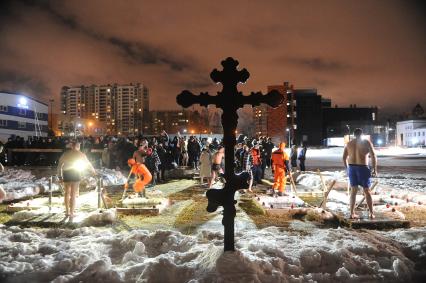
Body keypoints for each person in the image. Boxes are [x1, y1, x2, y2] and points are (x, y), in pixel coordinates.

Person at [343, 128, 377, 219]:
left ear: (354, 135)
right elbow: (373, 155)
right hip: (362, 168)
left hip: (352, 168)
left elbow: (343, 158)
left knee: (353, 191)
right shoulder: (366, 142)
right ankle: (371, 213)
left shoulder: (349, 144)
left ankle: (351, 213)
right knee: (367, 191)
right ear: (362, 134)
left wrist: (348, 169)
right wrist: (374, 169)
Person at [57, 141, 96, 219]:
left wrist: (60, 176)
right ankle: (71, 213)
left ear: (72, 146)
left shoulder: (66, 154)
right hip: (75, 173)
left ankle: (67, 211)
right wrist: (93, 171)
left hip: (66, 173)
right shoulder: (81, 154)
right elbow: (88, 164)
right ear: (78, 146)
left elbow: (59, 166)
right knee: (73, 194)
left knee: (66, 193)